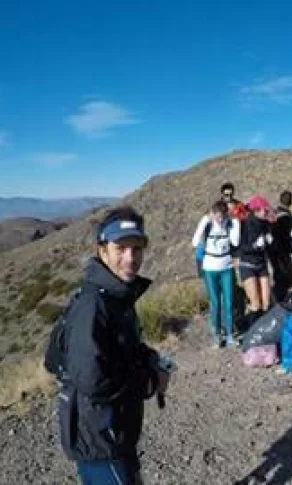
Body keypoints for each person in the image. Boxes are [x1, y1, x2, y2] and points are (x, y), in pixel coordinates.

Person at [61, 206, 170, 484]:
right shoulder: (94, 306)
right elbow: (93, 380)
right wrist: (149, 381)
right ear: (103, 250)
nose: (130, 258)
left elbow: (122, 348)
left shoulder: (117, 295)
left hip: (115, 430)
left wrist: (148, 357)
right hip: (101, 438)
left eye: (136, 248)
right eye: (120, 248)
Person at [192, 201, 242, 347]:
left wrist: (236, 222)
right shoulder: (207, 224)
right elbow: (195, 242)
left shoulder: (230, 223)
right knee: (215, 302)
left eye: (222, 215)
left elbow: (235, 242)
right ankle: (216, 335)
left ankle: (230, 335)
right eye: (216, 215)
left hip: (226, 266)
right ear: (212, 213)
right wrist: (204, 221)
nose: (219, 219)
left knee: (229, 302)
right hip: (210, 268)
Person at [238, 196, 275, 327]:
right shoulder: (246, 223)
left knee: (266, 302)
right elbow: (240, 247)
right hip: (247, 265)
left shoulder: (266, 224)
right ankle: (253, 332)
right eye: (265, 210)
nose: (266, 212)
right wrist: (254, 246)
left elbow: (268, 246)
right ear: (256, 210)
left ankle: (266, 331)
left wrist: (270, 242)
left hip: (261, 264)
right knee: (255, 303)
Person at [270, 191, 292, 303]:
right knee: (284, 275)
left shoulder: (275, 212)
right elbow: (287, 234)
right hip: (281, 250)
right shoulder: (286, 216)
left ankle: (279, 297)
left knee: (279, 274)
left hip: (273, 249)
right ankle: (280, 299)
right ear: (290, 201)